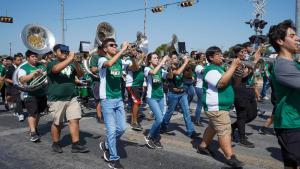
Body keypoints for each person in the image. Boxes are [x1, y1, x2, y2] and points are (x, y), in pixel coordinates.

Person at [196, 46, 244, 167]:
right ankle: (229, 157)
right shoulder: (210, 69)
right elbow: (221, 84)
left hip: (220, 107)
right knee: (224, 131)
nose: (221, 56)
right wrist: (232, 66)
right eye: (218, 54)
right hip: (216, 107)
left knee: (212, 127)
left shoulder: (221, 69)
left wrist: (238, 72)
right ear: (211, 57)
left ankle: (202, 146)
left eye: (221, 54)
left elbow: (235, 83)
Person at [268, 19, 300, 168]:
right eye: (292, 36)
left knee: (291, 165)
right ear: (280, 41)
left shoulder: (292, 63)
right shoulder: (283, 66)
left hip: (294, 120)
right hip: (291, 124)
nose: (298, 38)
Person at [98, 38, 132, 169]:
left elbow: (134, 66)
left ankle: (106, 144)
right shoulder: (102, 59)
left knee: (122, 128)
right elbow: (109, 63)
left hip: (118, 99)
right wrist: (123, 50)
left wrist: (133, 55)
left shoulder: (120, 60)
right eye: (111, 45)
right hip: (107, 99)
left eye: (115, 45)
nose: (115, 47)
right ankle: (113, 158)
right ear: (105, 49)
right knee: (111, 130)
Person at [48, 44, 89, 153]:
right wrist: (70, 58)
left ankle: (75, 144)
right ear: (55, 53)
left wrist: (76, 62)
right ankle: (55, 143)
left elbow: (80, 75)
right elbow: (56, 70)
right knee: (58, 122)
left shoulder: (71, 63)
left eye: (66, 51)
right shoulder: (51, 63)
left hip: (72, 96)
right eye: (62, 51)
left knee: (74, 119)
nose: (65, 53)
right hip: (57, 98)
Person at [160, 53, 198, 139]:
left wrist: (189, 66)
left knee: (186, 112)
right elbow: (177, 73)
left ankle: (191, 131)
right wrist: (185, 63)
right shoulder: (169, 69)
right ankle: (163, 127)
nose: (177, 59)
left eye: (177, 58)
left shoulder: (181, 67)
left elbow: (189, 76)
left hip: (182, 93)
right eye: (174, 58)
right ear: (170, 60)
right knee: (169, 112)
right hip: (173, 94)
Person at [231, 44, 261, 148]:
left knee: (253, 114)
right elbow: (243, 75)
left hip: (249, 90)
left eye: (245, 51)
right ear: (236, 53)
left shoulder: (246, 62)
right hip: (239, 92)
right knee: (242, 116)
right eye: (242, 52)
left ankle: (233, 126)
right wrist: (254, 63)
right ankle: (242, 138)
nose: (244, 53)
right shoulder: (235, 62)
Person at [18, 50, 47, 142]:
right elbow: (22, 80)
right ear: (27, 58)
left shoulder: (41, 66)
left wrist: (45, 73)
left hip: (41, 92)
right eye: (32, 57)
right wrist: (33, 74)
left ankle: (34, 128)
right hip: (30, 94)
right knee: (32, 113)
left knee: (38, 113)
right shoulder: (23, 68)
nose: (35, 58)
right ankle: (33, 133)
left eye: (36, 56)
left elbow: (46, 77)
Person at [144, 53, 169, 149]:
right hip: (151, 97)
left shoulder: (161, 70)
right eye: (155, 58)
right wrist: (162, 62)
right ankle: (149, 136)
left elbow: (169, 76)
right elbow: (153, 72)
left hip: (161, 97)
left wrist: (170, 66)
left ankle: (156, 138)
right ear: (150, 60)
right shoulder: (147, 69)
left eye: (158, 58)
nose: (157, 59)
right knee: (159, 119)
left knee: (159, 119)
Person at [125, 47, 146, 131]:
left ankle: (135, 117)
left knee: (137, 103)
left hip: (139, 84)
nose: (136, 52)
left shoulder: (137, 59)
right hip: (132, 84)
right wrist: (141, 58)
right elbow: (135, 68)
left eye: (137, 50)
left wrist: (144, 84)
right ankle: (134, 122)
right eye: (133, 50)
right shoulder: (127, 60)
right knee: (136, 103)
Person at [4, 54, 24, 122]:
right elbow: (6, 79)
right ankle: (21, 114)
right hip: (12, 87)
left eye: (21, 60)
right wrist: (14, 82)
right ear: (14, 61)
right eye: (18, 60)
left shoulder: (22, 67)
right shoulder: (11, 68)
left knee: (21, 99)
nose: (20, 61)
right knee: (18, 99)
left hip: (20, 86)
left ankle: (16, 111)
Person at [90, 46, 104, 122]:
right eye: (103, 48)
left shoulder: (107, 57)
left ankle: (105, 115)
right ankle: (99, 116)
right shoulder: (95, 57)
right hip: (97, 81)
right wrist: (103, 66)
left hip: (105, 81)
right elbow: (93, 69)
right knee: (98, 100)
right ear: (99, 50)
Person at [194, 52, 206, 126]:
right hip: (200, 87)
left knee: (204, 103)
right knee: (200, 104)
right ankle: (197, 120)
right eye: (202, 57)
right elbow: (204, 72)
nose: (204, 57)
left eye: (204, 56)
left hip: (204, 87)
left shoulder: (205, 65)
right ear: (198, 58)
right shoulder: (198, 67)